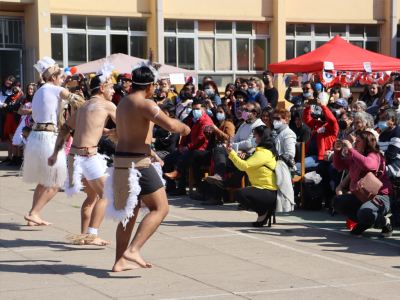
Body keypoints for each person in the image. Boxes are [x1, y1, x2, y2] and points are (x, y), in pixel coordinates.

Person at [103, 55, 190, 272]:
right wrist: (184, 128)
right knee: (160, 208)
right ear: (150, 86)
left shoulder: (122, 103)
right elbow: (170, 125)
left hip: (121, 162)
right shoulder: (145, 103)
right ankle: (133, 249)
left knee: (129, 213)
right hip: (138, 164)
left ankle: (118, 261)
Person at [48, 62, 117, 246]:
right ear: (102, 88)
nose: (113, 91)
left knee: (92, 196)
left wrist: (55, 153)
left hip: (75, 157)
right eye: (111, 87)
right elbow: (126, 126)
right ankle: (92, 235)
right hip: (88, 156)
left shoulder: (85, 106)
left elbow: (66, 129)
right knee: (107, 195)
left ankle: (83, 237)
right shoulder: (107, 105)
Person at [23, 56, 85, 226]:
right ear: (53, 77)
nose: (62, 79)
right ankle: (34, 213)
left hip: (37, 137)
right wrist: (85, 99)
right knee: (58, 180)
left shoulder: (41, 90)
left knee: (44, 180)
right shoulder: (54, 89)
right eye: (60, 77)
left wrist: (66, 85)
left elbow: (58, 94)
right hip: (48, 137)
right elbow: (75, 100)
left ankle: (32, 215)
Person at [332, 131, 393, 237]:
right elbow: (339, 165)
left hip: (380, 197)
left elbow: (367, 165)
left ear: (367, 143)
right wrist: (337, 151)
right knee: (337, 201)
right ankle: (365, 222)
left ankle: (386, 221)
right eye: (355, 141)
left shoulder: (375, 155)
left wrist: (351, 149)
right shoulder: (355, 157)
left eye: (358, 141)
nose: (355, 143)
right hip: (363, 196)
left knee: (364, 212)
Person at [205, 102, 265, 203]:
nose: (244, 112)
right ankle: (219, 179)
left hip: (251, 157)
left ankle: (228, 186)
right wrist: (239, 149)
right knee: (219, 150)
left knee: (243, 161)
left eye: (247, 110)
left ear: (255, 114)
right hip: (239, 154)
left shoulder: (259, 125)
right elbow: (232, 141)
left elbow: (250, 144)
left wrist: (238, 148)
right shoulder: (243, 125)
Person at [229, 125, 278, 227]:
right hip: (263, 189)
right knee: (243, 192)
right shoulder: (261, 151)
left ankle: (263, 212)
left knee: (240, 193)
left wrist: (232, 154)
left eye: (254, 136)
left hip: (269, 192)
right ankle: (264, 212)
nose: (252, 139)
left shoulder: (263, 153)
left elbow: (244, 166)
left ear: (261, 137)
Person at [163, 97, 213, 195]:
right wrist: (181, 147)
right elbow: (185, 134)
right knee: (168, 158)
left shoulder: (206, 121)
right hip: (187, 148)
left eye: (197, 109)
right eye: (193, 109)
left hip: (198, 150)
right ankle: (171, 187)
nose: (195, 111)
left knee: (181, 159)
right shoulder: (191, 119)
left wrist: (187, 148)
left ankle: (181, 188)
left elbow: (201, 139)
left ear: (204, 109)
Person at [188, 104, 235, 202]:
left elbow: (229, 138)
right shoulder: (217, 123)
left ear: (226, 113)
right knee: (196, 161)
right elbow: (212, 139)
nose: (218, 113)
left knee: (194, 153)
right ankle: (199, 188)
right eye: (217, 111)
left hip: (220, 153)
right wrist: (207, 132)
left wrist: (216, 130)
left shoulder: (228, 124)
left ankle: (180, 172)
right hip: (212, 151)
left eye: (221, 112)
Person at [295, 98, 339, 171]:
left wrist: (323, 106)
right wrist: (308, 107)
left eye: (325, 111)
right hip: (309, 154)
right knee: (296, 168)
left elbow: (332, 119)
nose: (323, 112)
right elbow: (306, 119)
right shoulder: (318, 124)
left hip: (319, 157)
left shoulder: (332, 127)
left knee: (297, 166)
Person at [11, 84, 36, 166]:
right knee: (18, 138)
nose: (30, 91)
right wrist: (27, 111)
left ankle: (27, 160)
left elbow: (31, 111)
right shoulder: (24, 99)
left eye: (32, 89)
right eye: (29, 89)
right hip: (23, 121)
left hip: (31, 121)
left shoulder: (36, 99)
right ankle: (17, 158)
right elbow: (19, 111)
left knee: (28, 140)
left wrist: (25, 110)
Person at [2, 80, 23, 165]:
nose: (14, 89)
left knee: (18, 139)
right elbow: (4, 107)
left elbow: (17, 108)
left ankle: (19, 157)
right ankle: (13, 158)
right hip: (9, 121)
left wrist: (9, 107)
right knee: (12, 140)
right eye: (13, 88)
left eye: (16, 88)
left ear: (20, 88)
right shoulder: (9, 97)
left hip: (17, 121)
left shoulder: (22, 97)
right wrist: (11, 108)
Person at [377, 108, 400, 179]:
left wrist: (377, 165)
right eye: (379, 119)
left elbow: (391, 156)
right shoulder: (383, 133)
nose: (380, 121)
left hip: (395, 167)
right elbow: (377, 150)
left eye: (383, 119)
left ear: (393, 120)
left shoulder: (397, 133)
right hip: (384, 163)